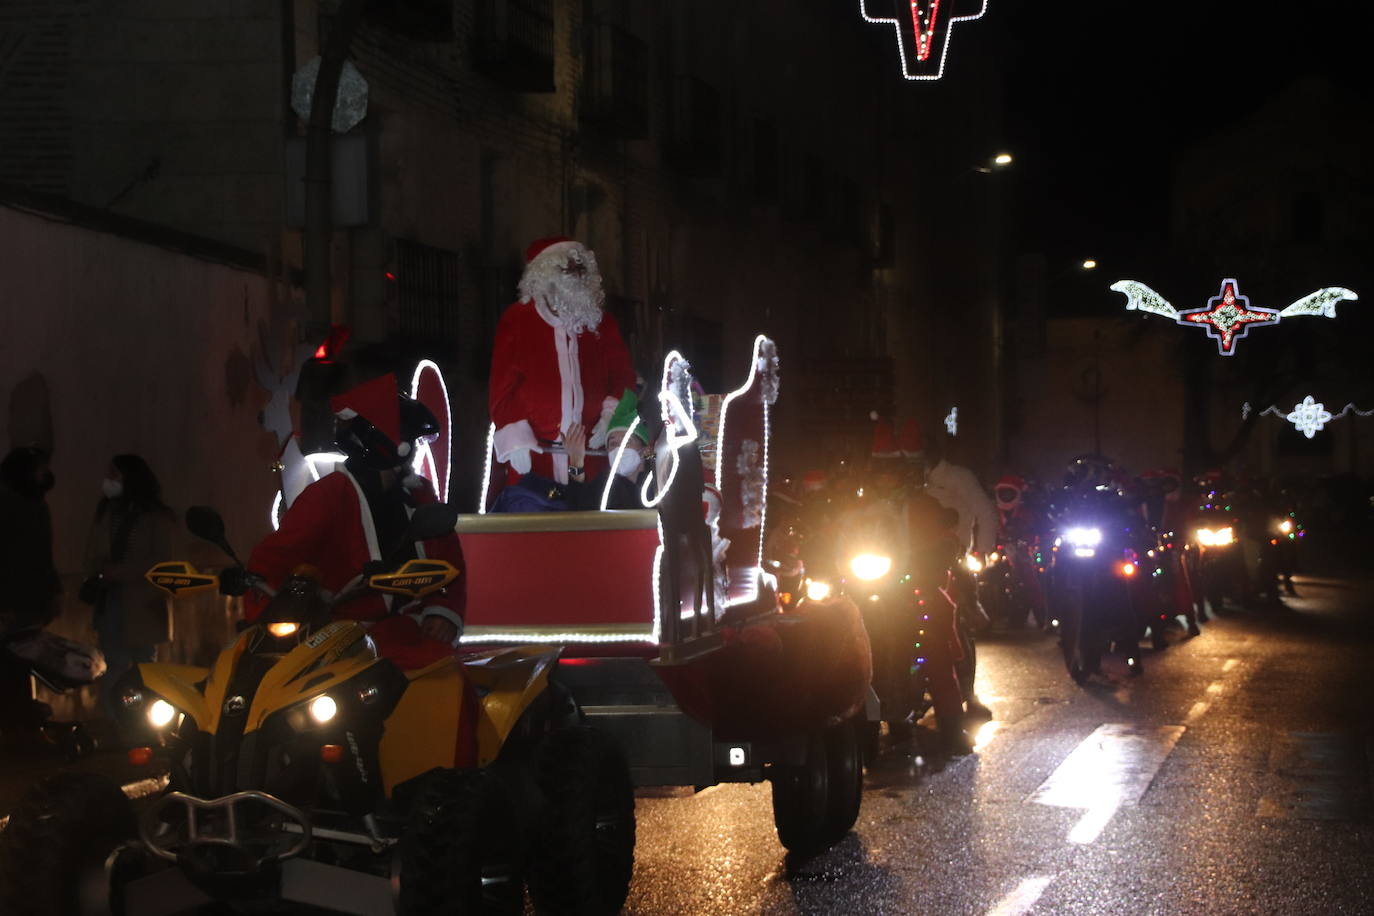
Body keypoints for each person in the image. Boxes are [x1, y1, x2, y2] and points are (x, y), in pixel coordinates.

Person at [242, 375, 467, 669]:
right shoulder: (330, 495)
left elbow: (449, 561)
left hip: (407, 631)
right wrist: (270, 608)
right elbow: (272, 559)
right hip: (340, 640)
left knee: (448, 683)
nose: (414, 450)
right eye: (409, 441)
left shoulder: (418, 495)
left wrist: (443, 611)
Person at [488, 237, 637, 495]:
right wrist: (517, 441)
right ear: (545, 274)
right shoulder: (518, 320)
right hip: (536, 460)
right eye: (568, 269)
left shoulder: (603, 324)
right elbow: (502, 390)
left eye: (582, 269)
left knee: (590, 528)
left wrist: (612, 420)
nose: (577, 276)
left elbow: (624, 377)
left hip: (592, 458)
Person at [82, 454, 177, 719]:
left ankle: (149, 721)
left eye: (115, 475)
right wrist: (99, 570)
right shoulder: (107, 512)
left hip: (144, 603)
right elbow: (92, 552)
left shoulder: (156, 517)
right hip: (111, 602)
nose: (109, 480)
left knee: (146, 665)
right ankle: (118, 722)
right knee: (116, 664)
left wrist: (122, 572)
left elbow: (162, 561)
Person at [0, 447, 61, 747]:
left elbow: (43, 558)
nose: (44, 474)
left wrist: (52, 593)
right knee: (12, 668)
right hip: (13, 603)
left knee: (23, 665)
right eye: (39, 468)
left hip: (30, 602)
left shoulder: (36, 505)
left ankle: (24, 728)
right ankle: (19, 730)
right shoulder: (9, 505)